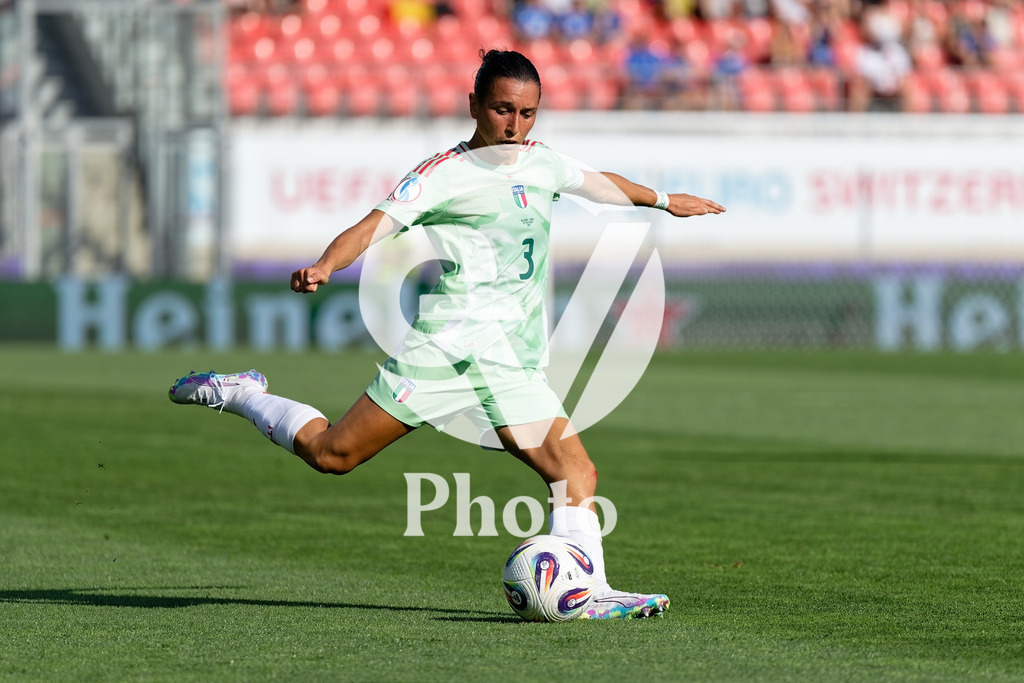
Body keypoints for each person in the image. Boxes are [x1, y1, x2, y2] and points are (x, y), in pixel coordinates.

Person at [169, 49, 725, 620]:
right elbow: (371, 227)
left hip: (510, 358)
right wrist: (326, 265)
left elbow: (600, 184)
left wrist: (663, 201)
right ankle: (244, 394)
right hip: (449, 350)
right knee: (334, 455)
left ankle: (590, 592)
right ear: (474, 106)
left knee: (576, 472)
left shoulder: (542, 162)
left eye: (529, 113)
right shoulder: (445, 175)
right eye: (503, 110)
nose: (516, 125)